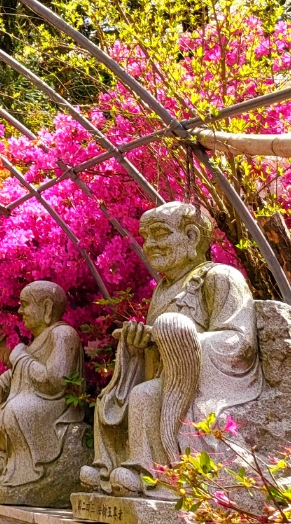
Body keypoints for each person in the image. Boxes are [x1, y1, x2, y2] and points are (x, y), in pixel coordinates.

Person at [82, 202, 259, 497]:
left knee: (146, 394)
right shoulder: (163, 289)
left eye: (160, 234)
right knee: (124, 396)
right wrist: (139, 346)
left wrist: (178, 337)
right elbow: (158, 354)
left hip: (207, 382)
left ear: (191, 236)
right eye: (146, 237)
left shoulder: (220, 277)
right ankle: (121, 466)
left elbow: (240, 343)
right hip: (170, 377)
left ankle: (153, 474)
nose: (150, 245)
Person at [0, 280, 84, 487]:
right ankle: (3, 463)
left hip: (57, 404)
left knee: (13, 411)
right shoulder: (37, 340)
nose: (20, 311)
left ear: (46, 307)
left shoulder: (63, 334)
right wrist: (11, 377)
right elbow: (31, 373)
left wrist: (21, 358)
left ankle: (25, 473)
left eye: (25, 304)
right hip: (37, 398)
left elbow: (55, 380)